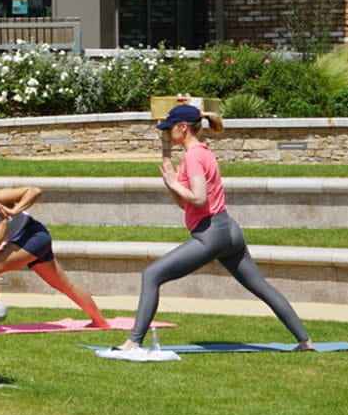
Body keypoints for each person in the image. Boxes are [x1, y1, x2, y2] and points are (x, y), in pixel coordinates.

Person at [115, 103, 315, 352]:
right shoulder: (204, 152)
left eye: (170, 129)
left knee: (151, 275)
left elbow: (199, 198)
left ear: (183, 127)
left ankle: (133, 342)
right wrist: (172, 183)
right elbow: (186, 204)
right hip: (228, 230)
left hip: (211, 234)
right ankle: (305, 341)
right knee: (261, 287)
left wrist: (174, 183)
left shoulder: (194, 156)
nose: (167, 133)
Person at [0, 170, 109, 325]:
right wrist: (3, 222)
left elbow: (34, 191)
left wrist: (15, 209)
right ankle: (100, 321)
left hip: (34, 234)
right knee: (63, 284)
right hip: (20, 242)